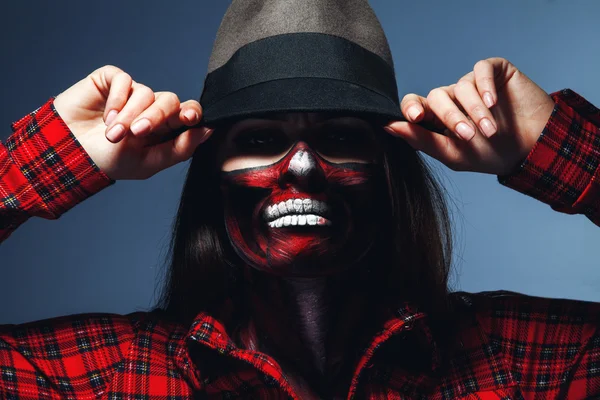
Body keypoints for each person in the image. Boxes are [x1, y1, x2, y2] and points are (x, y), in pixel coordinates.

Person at [1, 1, 599, 399]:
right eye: (261, 140)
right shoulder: (113, 378)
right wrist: (38, 168)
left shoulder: (524, 364)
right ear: (214, 180)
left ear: (390, 172)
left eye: (341, 137)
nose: (305, 165)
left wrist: (565, 153)